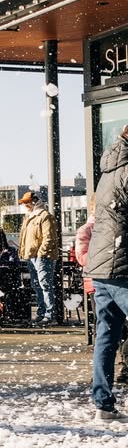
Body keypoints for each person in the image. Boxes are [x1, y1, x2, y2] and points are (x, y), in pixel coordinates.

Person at [83, 126, 128, 421]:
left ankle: (103, 402)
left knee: (106, 335)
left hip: (101, 266)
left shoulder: (110, 169)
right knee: (107, 334)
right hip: (123, 262)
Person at [17, 191, 60, 325]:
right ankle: (44, 313)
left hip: (41, 257)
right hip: (33, 256)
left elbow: (49, 238)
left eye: (27, 203)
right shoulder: (31, 216)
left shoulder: (44, 216)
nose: (25, 206)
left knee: (44, 285)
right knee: (38, 285)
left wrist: (41, 253)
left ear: (33, 202)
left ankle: (48, 314)